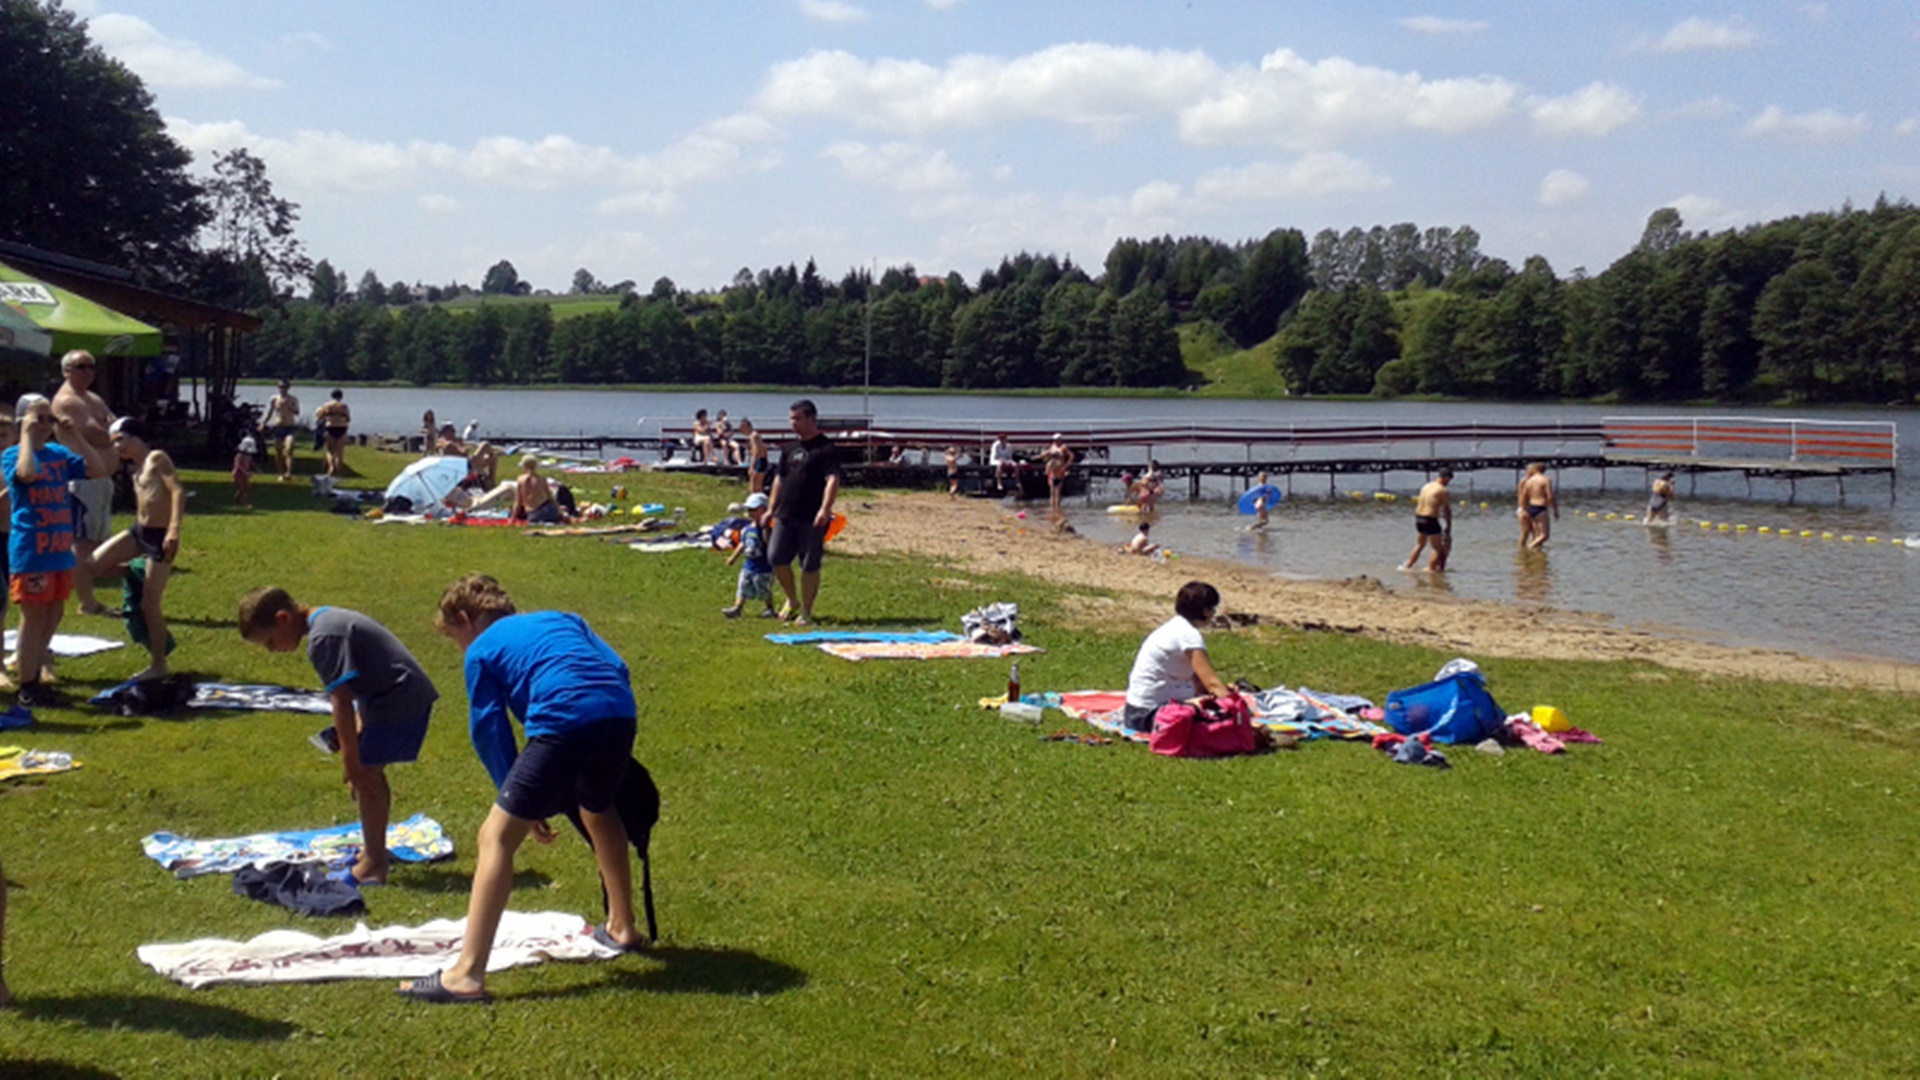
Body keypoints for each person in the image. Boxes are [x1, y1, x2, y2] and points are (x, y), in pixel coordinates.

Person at [399, 574, 645, 1005]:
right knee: (598, 809)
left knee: (495, 837)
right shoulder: (563, 617)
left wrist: (512, 794)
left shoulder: (481, 648)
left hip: (564, 717)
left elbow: (488, 728)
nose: (459, 648)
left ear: (465, 618)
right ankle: (622, 926)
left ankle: (466, 974)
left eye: (454, 637)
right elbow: (617, 665)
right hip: (620, 711)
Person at [238, 587, 437, 886]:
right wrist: (354, 736)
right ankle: (373, 851)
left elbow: (341, 701)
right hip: (387, 695)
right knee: (369, 769)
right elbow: (359, 684)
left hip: (398, 697)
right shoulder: (327, 620)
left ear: (282, 619)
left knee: (367, 773)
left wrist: (351, 761)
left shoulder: (324, 638)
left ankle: (374, 863)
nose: (271, 650)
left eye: (269, 641)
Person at [7, 394, 114, 708]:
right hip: (32, 551)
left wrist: (74, 435)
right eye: (37, 419)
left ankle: (37, 674)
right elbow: (26, 474)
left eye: (48, 419)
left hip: (58, 551)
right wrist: (26, 435)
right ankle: (27, 685)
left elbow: (97, 468)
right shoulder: (13, 454)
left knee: (53, 614)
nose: (44, 426)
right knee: (33, 617)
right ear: (23, 422)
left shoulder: (58, 454)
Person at [88, 419, 182, 681]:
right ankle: (132, 570)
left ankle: (159, 664)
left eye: (120, 439)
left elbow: (177, 492)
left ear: (136, 436)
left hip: (159, 536)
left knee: (149, 604)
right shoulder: (134, 468)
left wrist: (174, 529)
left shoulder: (157, 459)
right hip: (138, 531)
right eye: (113, 442)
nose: (117, 446)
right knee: (92, 564)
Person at [51, 350, 116, 616]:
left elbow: (115, 427)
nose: (88, 371)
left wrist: (112, 431)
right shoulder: (67, 402)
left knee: (95, 542)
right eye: (80, 366)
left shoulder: (92, 398)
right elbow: (100, 435)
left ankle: (88, 596)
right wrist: (111, 431)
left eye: (91, 366)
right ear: (66, 370)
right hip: (82, 482)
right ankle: (86, 602)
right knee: (81, 544)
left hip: (101, 482)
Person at [1121, 581, 1234, 734]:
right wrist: (1237, 709)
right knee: (1222, 723)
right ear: (1206, 611)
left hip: (1135, 712)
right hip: (1154, 716)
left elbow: (1200, 684)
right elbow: (1211, 682)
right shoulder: (1189, 636)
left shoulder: (1172, 627)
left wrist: (1221, 693)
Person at [767, 398, 841, 626]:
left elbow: (833, 480)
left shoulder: (825, 448)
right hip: (786, 514)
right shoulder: (788, 449)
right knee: (776, 557)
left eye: (798, 418)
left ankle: (806, 612)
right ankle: (792, 599)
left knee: (809, 564)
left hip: (812, 517)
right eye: (791, 419)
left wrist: (825, 509)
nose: (793, 423)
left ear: (811, 418)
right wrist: (770, 509)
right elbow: (779, 480)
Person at [722, 493, 776, 618]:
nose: (750, 513)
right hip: (748, 565)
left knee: (764, 588)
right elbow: (742, 544)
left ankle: (769, 608)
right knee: (742, 587)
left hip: (764, 567)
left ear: (764, 510)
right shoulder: (747, 529)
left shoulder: (768, 529)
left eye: (753, 510)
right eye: (749, 510)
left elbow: (771, 545)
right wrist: (733, 558)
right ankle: (737, 608)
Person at [1403, 469, 1454, 572]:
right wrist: (1448, 526)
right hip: (1430, 519)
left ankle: (1408, 566)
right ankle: (1430, 570)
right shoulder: (1443, 490)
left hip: (1419, 517)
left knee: (1420, 544)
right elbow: (1446, 510)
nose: (1448, 483)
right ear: (1446, 478)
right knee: (1437, 548)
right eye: (1449, 481)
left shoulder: (1426, 486)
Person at [262, 378, 301, 483]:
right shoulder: (274, 399)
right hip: (278, 427)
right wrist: (263, 423)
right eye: (280, 387)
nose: (282, 389)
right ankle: (280, 473)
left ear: (288, 388)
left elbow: (297, 412)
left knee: (289, 449)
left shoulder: (293, 399)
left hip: (289, 427)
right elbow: (269, 413)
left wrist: (289, 407)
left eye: (284, 387)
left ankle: (288, 472)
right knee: (278, 451)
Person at [512, 455, 566, 524]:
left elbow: (518, 501)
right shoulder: (542, 479)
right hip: (546, 511)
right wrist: (559, 511)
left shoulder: (520, 479)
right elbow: (550, 498)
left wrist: (512, 518)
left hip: (532, 515)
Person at [1518, 462, 1557, 549]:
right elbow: (1550, 496)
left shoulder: (1528, 481)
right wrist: (1555, 510)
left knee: (1535, 535)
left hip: (1530, 508)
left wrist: (1523, 509)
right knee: (1544, 535)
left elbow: (1524, 496)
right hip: (1540, 508)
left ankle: (1535, 555)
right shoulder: (1546, 480)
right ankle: (1529, 548)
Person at [314, 389, 351, 478]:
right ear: (341, 397)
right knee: (339, 452)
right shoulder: (344, 406)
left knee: (329, 451)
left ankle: (331, 467)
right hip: (342, 428)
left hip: (330, 427)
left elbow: (320, 416)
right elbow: (348, 418)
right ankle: (337, 473)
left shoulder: (327, 405)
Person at [1044, 434, 1075, 514]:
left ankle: (1057, 510)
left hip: (1060, 471)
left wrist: (1066, 466)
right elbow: (1047, 454)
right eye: (1055, 440)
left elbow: (1071, 456)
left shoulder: (1064, 448)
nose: (1056, 441)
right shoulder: (1052, 447)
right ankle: (1053, 511)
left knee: (1058, 493)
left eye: (1058, 440)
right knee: (1052, 493)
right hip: (1052, 471)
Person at [742, 419, 770, 494]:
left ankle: (753, 498)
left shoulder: (753, 436)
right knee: (755, 482)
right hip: (761, 460)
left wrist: (752, 465)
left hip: (760, 460)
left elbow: (756, 451)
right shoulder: (755, 435)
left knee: (755, 482)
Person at [232, 433, 256, 509]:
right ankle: (238, 503)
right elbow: (238, 465)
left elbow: (251, 462)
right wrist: (245, 473)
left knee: (248, 488)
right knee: (241, 489)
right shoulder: (239, 455)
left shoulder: (248, 455)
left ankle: (247, 503)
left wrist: (257, 468)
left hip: (245, 473)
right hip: (238, 473)